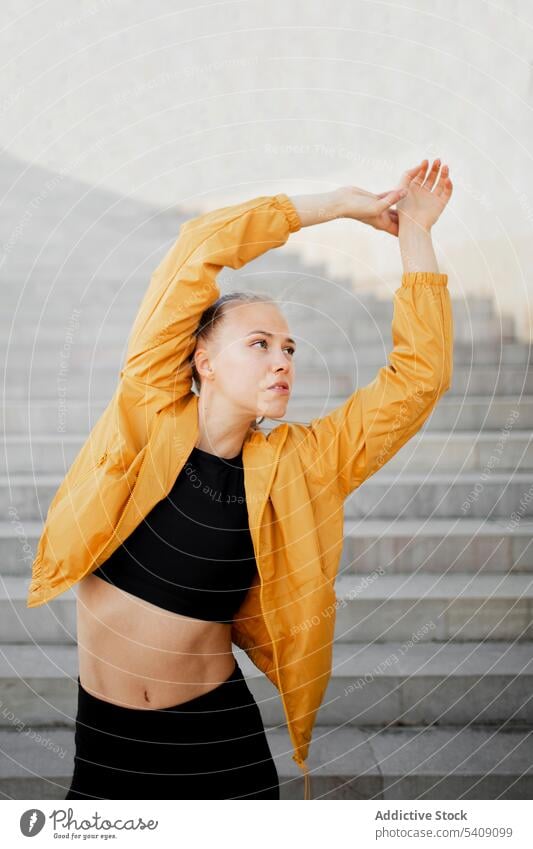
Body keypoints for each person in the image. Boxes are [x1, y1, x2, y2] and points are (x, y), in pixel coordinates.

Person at [29, 160, 453, 800]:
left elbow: (418, 380)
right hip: (105, 743)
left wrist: (415, 231)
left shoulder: (302, 463)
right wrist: (338, 203)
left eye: (289, 349)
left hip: (215, 745)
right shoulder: (145, 410)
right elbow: (201, 245)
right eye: (260, 343)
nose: (282, 359)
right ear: (203, 359)